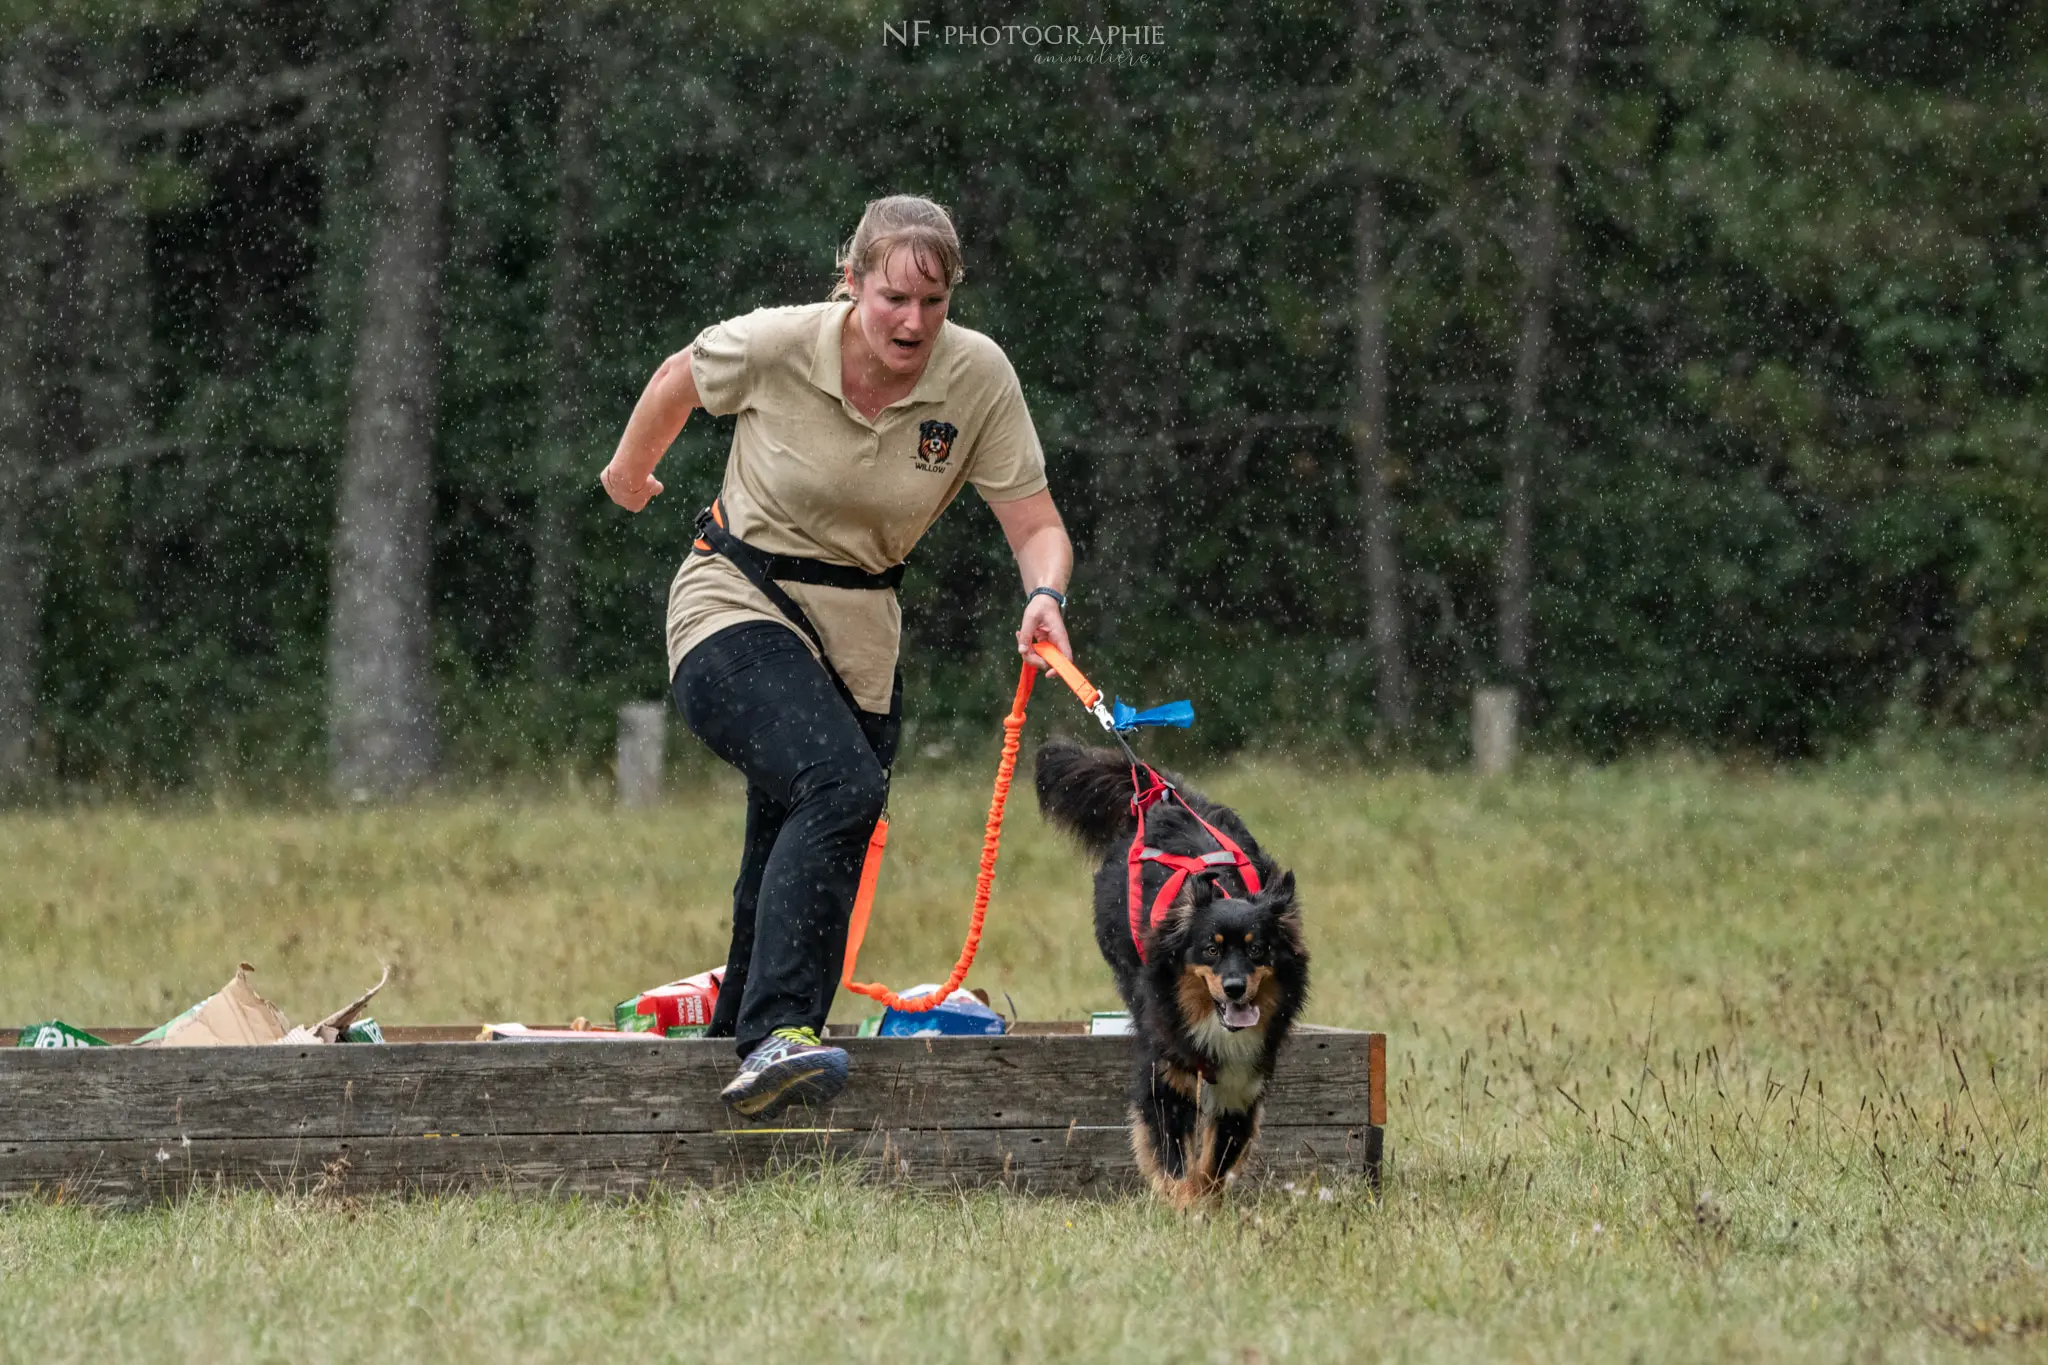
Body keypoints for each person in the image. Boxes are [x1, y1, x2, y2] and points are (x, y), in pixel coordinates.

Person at [600, 195, 1073, 1120]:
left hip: (858, 636)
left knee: (791, 827)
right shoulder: (778, 343)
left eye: (934, 302)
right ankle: (782, 1026)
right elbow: (678, 377)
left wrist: (1045, 596)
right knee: (840, 786)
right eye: (894, 296)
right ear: (851, 282)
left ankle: (744, 1038)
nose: (913, 321)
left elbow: (1037, 524)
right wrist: (630, 473)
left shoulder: (978, 379)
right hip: (731, 600)